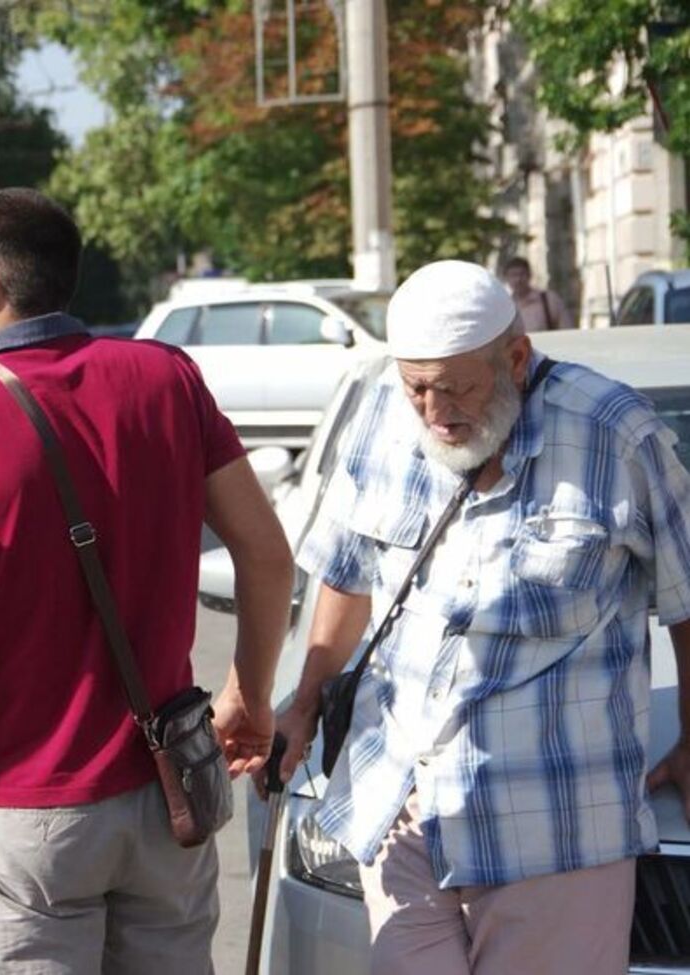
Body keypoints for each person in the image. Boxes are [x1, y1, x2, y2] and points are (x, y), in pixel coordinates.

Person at [0, 188, 294, 972]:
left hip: (26, 811)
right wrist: (249, 693)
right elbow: (268, 555)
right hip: (168, 794)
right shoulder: (167, 377)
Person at [273, 260, 690, 974]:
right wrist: (305, 697)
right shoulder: (381, 416)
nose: (435, 410)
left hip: (554, 827)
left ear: (516, 357)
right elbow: (345, 571)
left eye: (457, 385)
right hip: (403, 804)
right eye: (418, 386)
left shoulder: (615, 433)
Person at [502, 255, 575, 331]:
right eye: (513, 275)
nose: (518, 279)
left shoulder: (549, 300)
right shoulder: (505, 308)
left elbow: (567, 330)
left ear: (529, 275)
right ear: (506, 278)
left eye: (522, 274)